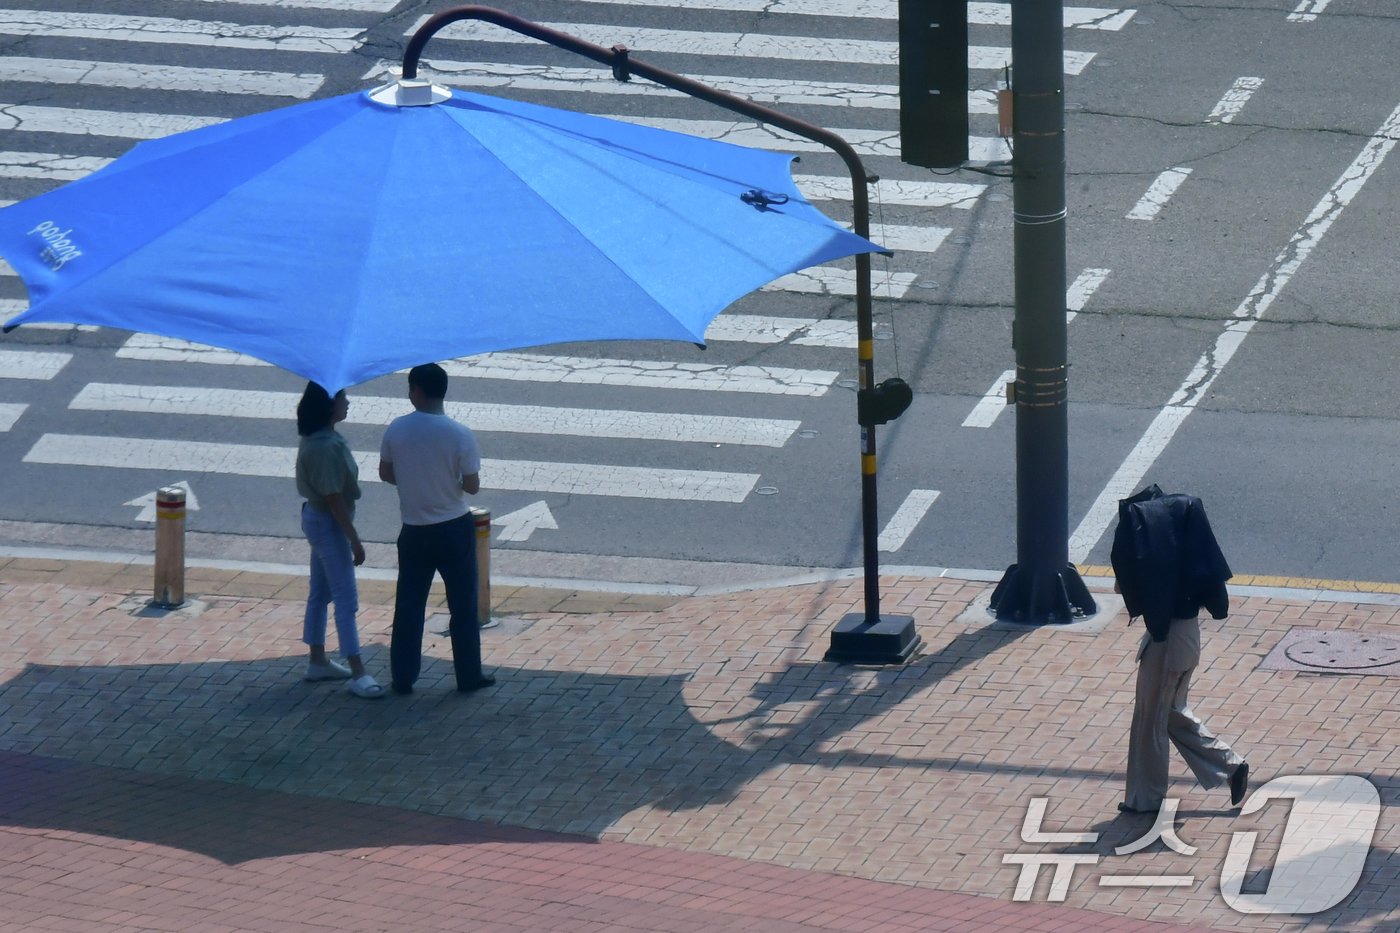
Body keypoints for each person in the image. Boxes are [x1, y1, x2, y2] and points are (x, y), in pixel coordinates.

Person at [1111, 483, 1248, 814]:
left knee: (1151, 719)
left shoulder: (1162, 561)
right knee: (1168, 714)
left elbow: (1122, 586)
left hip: (1168, 644)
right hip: (1183, 639)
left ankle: (1145, 799)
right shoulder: (1185, 560)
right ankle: (1231, 765)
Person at [378, 363, 494, 695]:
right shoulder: (459, 433)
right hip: (454, 528)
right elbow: (472, 486)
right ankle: (469, 675)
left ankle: (403, 676)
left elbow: (386, 472)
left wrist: (414, 480)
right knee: (463, 605)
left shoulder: (397, 429)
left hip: (414, 530)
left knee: (410, 605)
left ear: (416, 391)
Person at [295, 383, 384, 699]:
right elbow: (335, 499)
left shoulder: (321, 439)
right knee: (346, 598)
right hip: (329, 523)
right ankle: (358, 671)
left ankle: (317, 660)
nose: (348, 402)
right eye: (343, 398)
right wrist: (354, 540)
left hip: (319, 519)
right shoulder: (324, 447)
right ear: (329, 405)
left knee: (319, 592)